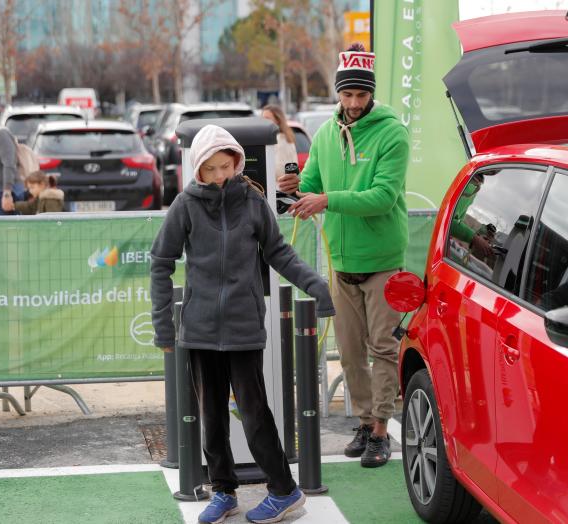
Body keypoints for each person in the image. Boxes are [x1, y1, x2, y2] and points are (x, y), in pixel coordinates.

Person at [150, 124, 334, 524]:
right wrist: (163, 325)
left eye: (225, 166)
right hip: (199, 329)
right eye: (210, 168)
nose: (219, 175)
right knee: (212, 416)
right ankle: (224, 492)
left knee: (253, 412)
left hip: (243, 327)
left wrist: (315, 285)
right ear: (198, 168)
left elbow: (279, 253)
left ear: (236, 161)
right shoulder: (185, 204)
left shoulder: (253, 201)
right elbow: (161, 261)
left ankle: (284, 491)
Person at [279, 43, 409, 468]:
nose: (354, 102)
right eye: (347, 94)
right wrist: (294, 188)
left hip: (383, 260)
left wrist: (326, 200)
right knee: (350, 353)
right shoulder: (324, 134)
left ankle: (381, 430)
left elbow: (383, 197)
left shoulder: (393, 133)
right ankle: (366, 421)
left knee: (383, 348)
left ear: (372, 93)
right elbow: (312, 182)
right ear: (337, 93)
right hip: (340, 261)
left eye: (361, 94)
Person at [261, 104, 298, 180]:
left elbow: (279, 170)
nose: (263, 121)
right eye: (262, 118)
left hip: (278, 185)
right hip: (283, 184)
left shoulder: (280, 140)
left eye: (267, 118)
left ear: (278, 120)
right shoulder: (285, 137)